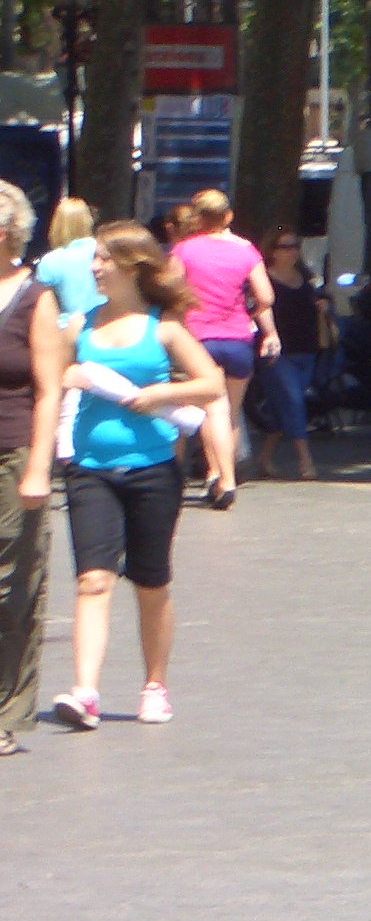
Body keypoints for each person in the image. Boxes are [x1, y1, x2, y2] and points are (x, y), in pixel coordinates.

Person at [48, 222, 224, 732]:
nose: (94, 267)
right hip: (89, 470)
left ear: (132, 266)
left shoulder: (163, 328)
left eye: (103, 258)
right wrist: (64, 379)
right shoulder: (79, 326)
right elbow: (48, 380)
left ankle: (154, 684)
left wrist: (160, 395)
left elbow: (211, 383)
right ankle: (86, 692)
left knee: (150, 582)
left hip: (154, 470)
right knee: (92, 579)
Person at [0, 183, 65, 757]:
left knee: (10, 584)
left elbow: (48, 390)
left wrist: (39, 467)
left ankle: (4, 710)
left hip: (12, 452)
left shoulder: (34, 297)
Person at [169, 189, 277, 510]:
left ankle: (199, 475)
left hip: (197, 339)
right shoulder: (246, 250)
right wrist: (248, 313)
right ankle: (221, 475)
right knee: (229, 412)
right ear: (228, 216)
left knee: (197, 409)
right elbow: (266, 297)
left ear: (197, 217)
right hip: (237, 339)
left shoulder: (184, 249)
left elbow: (170, 292)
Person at [256, 227, 331, 479]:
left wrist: (323, 306)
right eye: (285, 247)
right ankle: (305, 460)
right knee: (294, 401)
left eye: (295, 246)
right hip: (277, 353)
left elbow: (321, 300)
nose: (292, 252)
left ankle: (264, 458)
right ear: (273, 252)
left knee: (283, 405)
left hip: (306, 349)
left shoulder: (307, 278)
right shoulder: (264, 280)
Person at [35, 196, 100, 329]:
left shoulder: (50, 261)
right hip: (106, 325)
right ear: (88, 220)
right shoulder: (103, 251)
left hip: (68, 330)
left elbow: (41, 306)